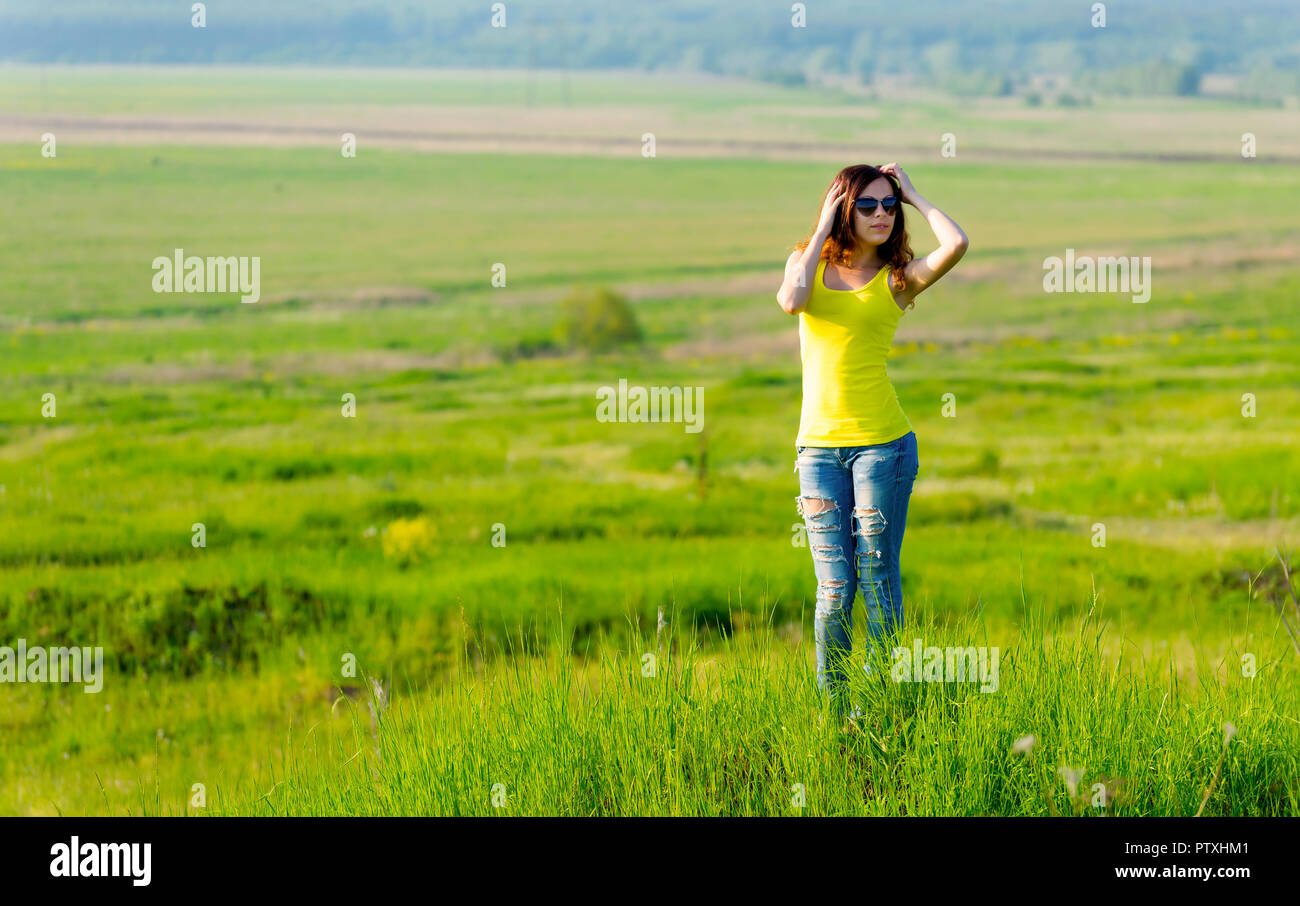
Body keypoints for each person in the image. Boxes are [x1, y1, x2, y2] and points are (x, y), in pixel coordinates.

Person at [775, 162, 968, 719]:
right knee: (835, 589)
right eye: (868, 205)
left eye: (889, 205)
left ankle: (880, 707)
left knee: (880, 583)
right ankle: (836, 716)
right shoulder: (806, 265)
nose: (882, 214)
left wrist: (915, 194)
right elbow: (791, 300)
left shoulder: (898, 279)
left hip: (884, 447)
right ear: (842, 208)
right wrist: (821, 228)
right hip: (818, 453)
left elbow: (956, 243)